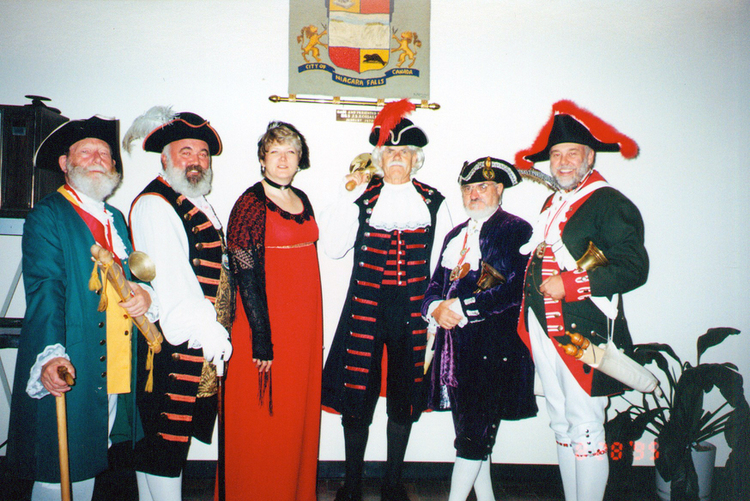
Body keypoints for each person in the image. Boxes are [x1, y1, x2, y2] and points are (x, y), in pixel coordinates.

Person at [7, 116, 152, 501]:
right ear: (65, 163)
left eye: (105, 154)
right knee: (59, 471)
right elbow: (45, 290)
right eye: (86, 152)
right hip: (73, 354)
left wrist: (144, 296)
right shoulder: (48, 215)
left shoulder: (114, 219)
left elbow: (131, 276)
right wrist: (51, 354)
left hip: (111, 364)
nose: (97, 159)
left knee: (88, 460)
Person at [514, 100, 648, 501]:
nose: (562, 162)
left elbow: (633, 268)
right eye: (556, 154)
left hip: (583, 329)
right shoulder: (554, 201)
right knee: (560, 422)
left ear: (590, 157)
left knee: (586, 426)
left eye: (572, 153)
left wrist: (571, 284)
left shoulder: (609, 202)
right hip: (545, 327)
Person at [321, 99, 452, 501]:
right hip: (365, 307)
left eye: (405, 153)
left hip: (414, 311)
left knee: (404, 394)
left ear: (416, 160)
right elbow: (334, 248)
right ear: (379, 159)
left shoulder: (434, 201)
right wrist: (346, 195)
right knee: (356, 391)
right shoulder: (362, 196)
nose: (397, 158)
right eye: (390, 152)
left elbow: (445, 264)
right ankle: (352, 484)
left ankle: (393, 484)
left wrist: (437, 309)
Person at [124, 107, 233, 501]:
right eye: (186, 151)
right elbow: (171, 279)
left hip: (189, 340)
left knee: (160, 447)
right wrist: (207, 330)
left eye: (203, 153)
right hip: (172, 343)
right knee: (165, 445)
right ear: (165, 158)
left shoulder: (192, 201)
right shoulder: (157, 203)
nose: (196, 161)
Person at [422, 157, 537, 501]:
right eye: (468, 188)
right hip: (454, 350)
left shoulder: (515, 229)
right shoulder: (455, 234)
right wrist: (435, 308)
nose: (474, 194)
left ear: (499, 189)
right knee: (473, 434)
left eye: (482, 186)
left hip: (492, 348)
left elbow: (514, 290)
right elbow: (434, 285)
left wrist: (460, 308)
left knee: (472, 435)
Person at [222, 121, 323, 501]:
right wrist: (262, 339)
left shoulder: (303, 198)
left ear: (300, 159)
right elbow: (244, 275)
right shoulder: (249, 204)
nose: (283, 160)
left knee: (296, 417)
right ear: (262, 159)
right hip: (265, 326)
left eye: (290, 152)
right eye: (275, 152)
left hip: (304, 328)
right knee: (264, 421)